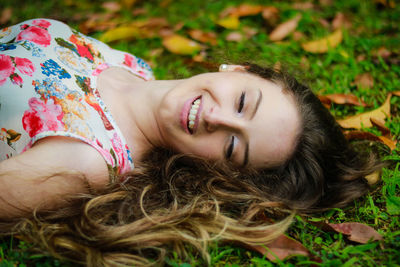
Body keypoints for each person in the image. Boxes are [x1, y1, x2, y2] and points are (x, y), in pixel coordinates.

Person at [0, 19, 381, 266]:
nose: (217, 118)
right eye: (243, 102)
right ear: (239, 69)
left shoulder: (87, 161)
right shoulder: (134, 67)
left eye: (233, 146)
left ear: (215, 170)